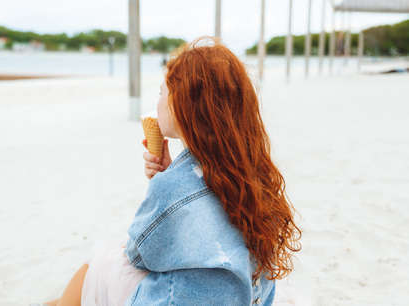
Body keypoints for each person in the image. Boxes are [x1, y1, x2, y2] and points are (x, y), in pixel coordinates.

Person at [43, 35, 302, 306]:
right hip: (248, 297)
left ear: (182, 105)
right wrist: (167, 174)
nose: (157, 103)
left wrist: (164, 183)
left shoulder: (174, 187)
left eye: (161, 93)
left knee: (96, 265)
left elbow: (138, 253)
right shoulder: (250, 172)